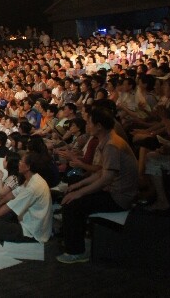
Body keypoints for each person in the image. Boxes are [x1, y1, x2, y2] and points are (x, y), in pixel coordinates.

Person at [57, 106, 138, 264]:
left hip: (119, 197)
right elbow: (101, 172)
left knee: (72, 204)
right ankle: (75, 242)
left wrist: (79, 192)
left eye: (89, 123)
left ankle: (75, 251)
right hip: (113, 190)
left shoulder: (111, 145)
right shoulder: (108, 140)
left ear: (99, 126)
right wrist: (78, 186)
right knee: (72, 192)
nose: (86, 126)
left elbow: (106, 177)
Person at [0, 152, 53, 243]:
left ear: (28, 167)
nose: (19, 163)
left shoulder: (34, 186)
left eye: (21, 161)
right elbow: (13, 194)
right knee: (0, 213)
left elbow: (11, 205)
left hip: (32, 230)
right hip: (30, 221)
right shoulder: (33, 179)